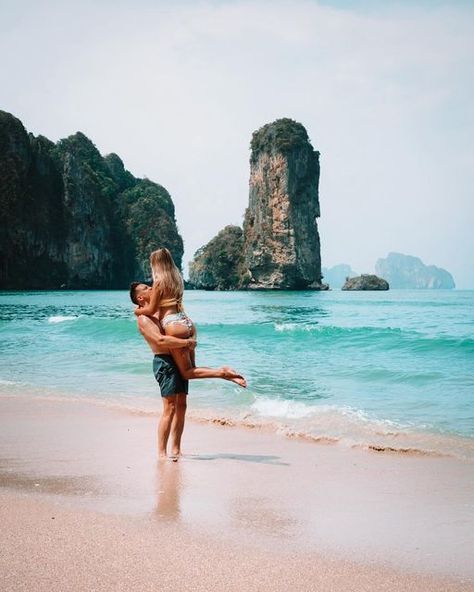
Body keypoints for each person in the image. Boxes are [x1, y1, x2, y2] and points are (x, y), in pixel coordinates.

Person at [130, 280, 246, 461]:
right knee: (170, 407)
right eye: (146, 288)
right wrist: (186, 343)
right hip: (165, 362)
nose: (151, 288)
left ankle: (176, 449)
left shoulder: (157, 313)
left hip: (176, 358)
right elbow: (161, 341)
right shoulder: (144, 319)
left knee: (182, 406)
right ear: (140, 297)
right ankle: (161, 453)